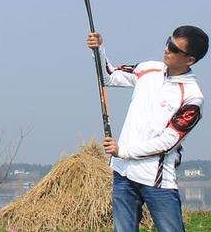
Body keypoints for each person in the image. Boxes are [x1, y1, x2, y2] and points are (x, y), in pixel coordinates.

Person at [87, 26, 207, 232]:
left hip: (157, 181)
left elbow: (168, 143)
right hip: (122, 172)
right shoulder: (149, 68)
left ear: (190, 60)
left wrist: (122, 151)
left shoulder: (192, 97)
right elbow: (108, 76)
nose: (167, 50)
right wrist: (98, 50)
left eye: (175, 49)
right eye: (168, 42)